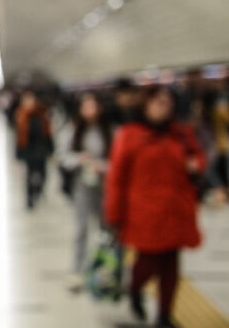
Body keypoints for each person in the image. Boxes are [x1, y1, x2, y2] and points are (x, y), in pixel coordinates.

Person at [105, 86, 206, 328]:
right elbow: (116, 179)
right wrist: (113, 216)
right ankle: (134, 289)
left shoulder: (181, 133)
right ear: (145, 105)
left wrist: (196, 165)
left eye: (167, 101)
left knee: (171, 264)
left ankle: (164, 315)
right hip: (145, 213)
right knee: (147, 262)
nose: (163, 106)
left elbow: (199, 157)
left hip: (176, 209)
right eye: (157, 101)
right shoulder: (129, 135)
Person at [59, 93, 112, 290]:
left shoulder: (109, 131)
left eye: (93, 106)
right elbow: (62, 156)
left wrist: (103, 166)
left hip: (105, 186)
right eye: (86, 107)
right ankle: (77, 271)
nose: (90, 111)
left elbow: (118, 161)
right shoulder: (72, 130)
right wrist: (78, 159)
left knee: (106, 230)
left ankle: (104, 269)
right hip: (82, 185)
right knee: (81, 229)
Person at [16, 91, 53, 209]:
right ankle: (30, 198)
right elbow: (19, 137)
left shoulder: (41, 114)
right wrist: (19, 154)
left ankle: (38, 190)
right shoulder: (21, 116)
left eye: (30, 100)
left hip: (41, 149)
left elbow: (48, 133)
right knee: (30, 175)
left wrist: (51, 148)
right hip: (29, 151)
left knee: (43, 173)